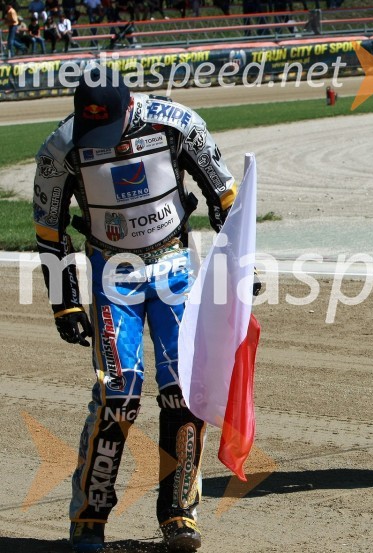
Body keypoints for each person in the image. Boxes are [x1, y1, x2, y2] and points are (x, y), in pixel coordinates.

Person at [33, 66, 247, 552]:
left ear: (129, 107)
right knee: (118, 396)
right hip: (112, 276)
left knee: (183, 392)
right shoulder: (61, 148)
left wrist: (239, 264)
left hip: (174, 270)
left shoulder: (176, 124)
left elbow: (225, 198)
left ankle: (179, 513)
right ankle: (89, 517)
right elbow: (49, 229)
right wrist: (64, 303)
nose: (101, 140)